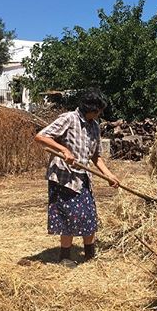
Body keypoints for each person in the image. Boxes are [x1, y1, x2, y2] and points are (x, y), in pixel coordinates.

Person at [34, 88, 120, 267]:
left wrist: (109, 175)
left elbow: (96, 157)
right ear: (90, 107)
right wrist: (63, 150)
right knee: (69, 216)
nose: (100, 114)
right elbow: (41, 137)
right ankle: (64, 257)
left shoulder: (94, 126)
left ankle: (89, 254)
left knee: (89, 215)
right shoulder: (69, 119)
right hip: (64, 177)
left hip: (83, 177)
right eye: (98, 110)